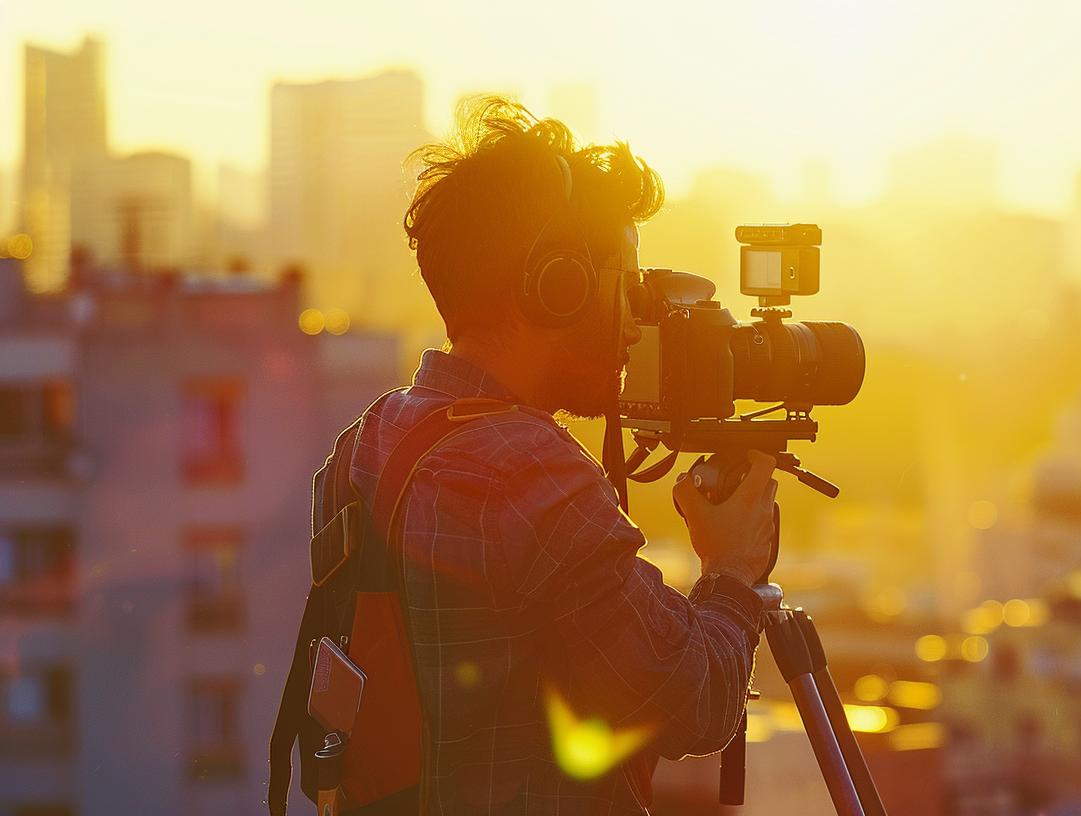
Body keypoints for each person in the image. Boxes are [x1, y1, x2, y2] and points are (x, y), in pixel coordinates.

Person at [313, 96, 776, 814]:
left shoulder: (370, 439)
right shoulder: (530, 473)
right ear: (557, 288)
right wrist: (733, 571)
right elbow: (691, 703)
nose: (640, 319)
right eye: (628, 286)